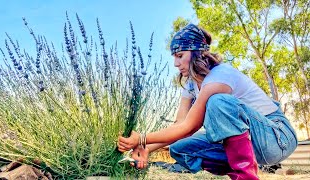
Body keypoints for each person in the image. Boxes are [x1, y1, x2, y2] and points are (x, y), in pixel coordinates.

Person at [117, 23, 298, 180]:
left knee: (218, 102)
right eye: (174, 57)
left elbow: (190, 127)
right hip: (254, 145)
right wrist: (147, 148)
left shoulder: (219, 77)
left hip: (277, 137)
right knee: (179, 148)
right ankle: (240, 172)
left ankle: (246, 177)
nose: (175, 63)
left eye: (180, 55)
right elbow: (180, 125)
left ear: (196, 53)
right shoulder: (190, 84)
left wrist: (141, 138)